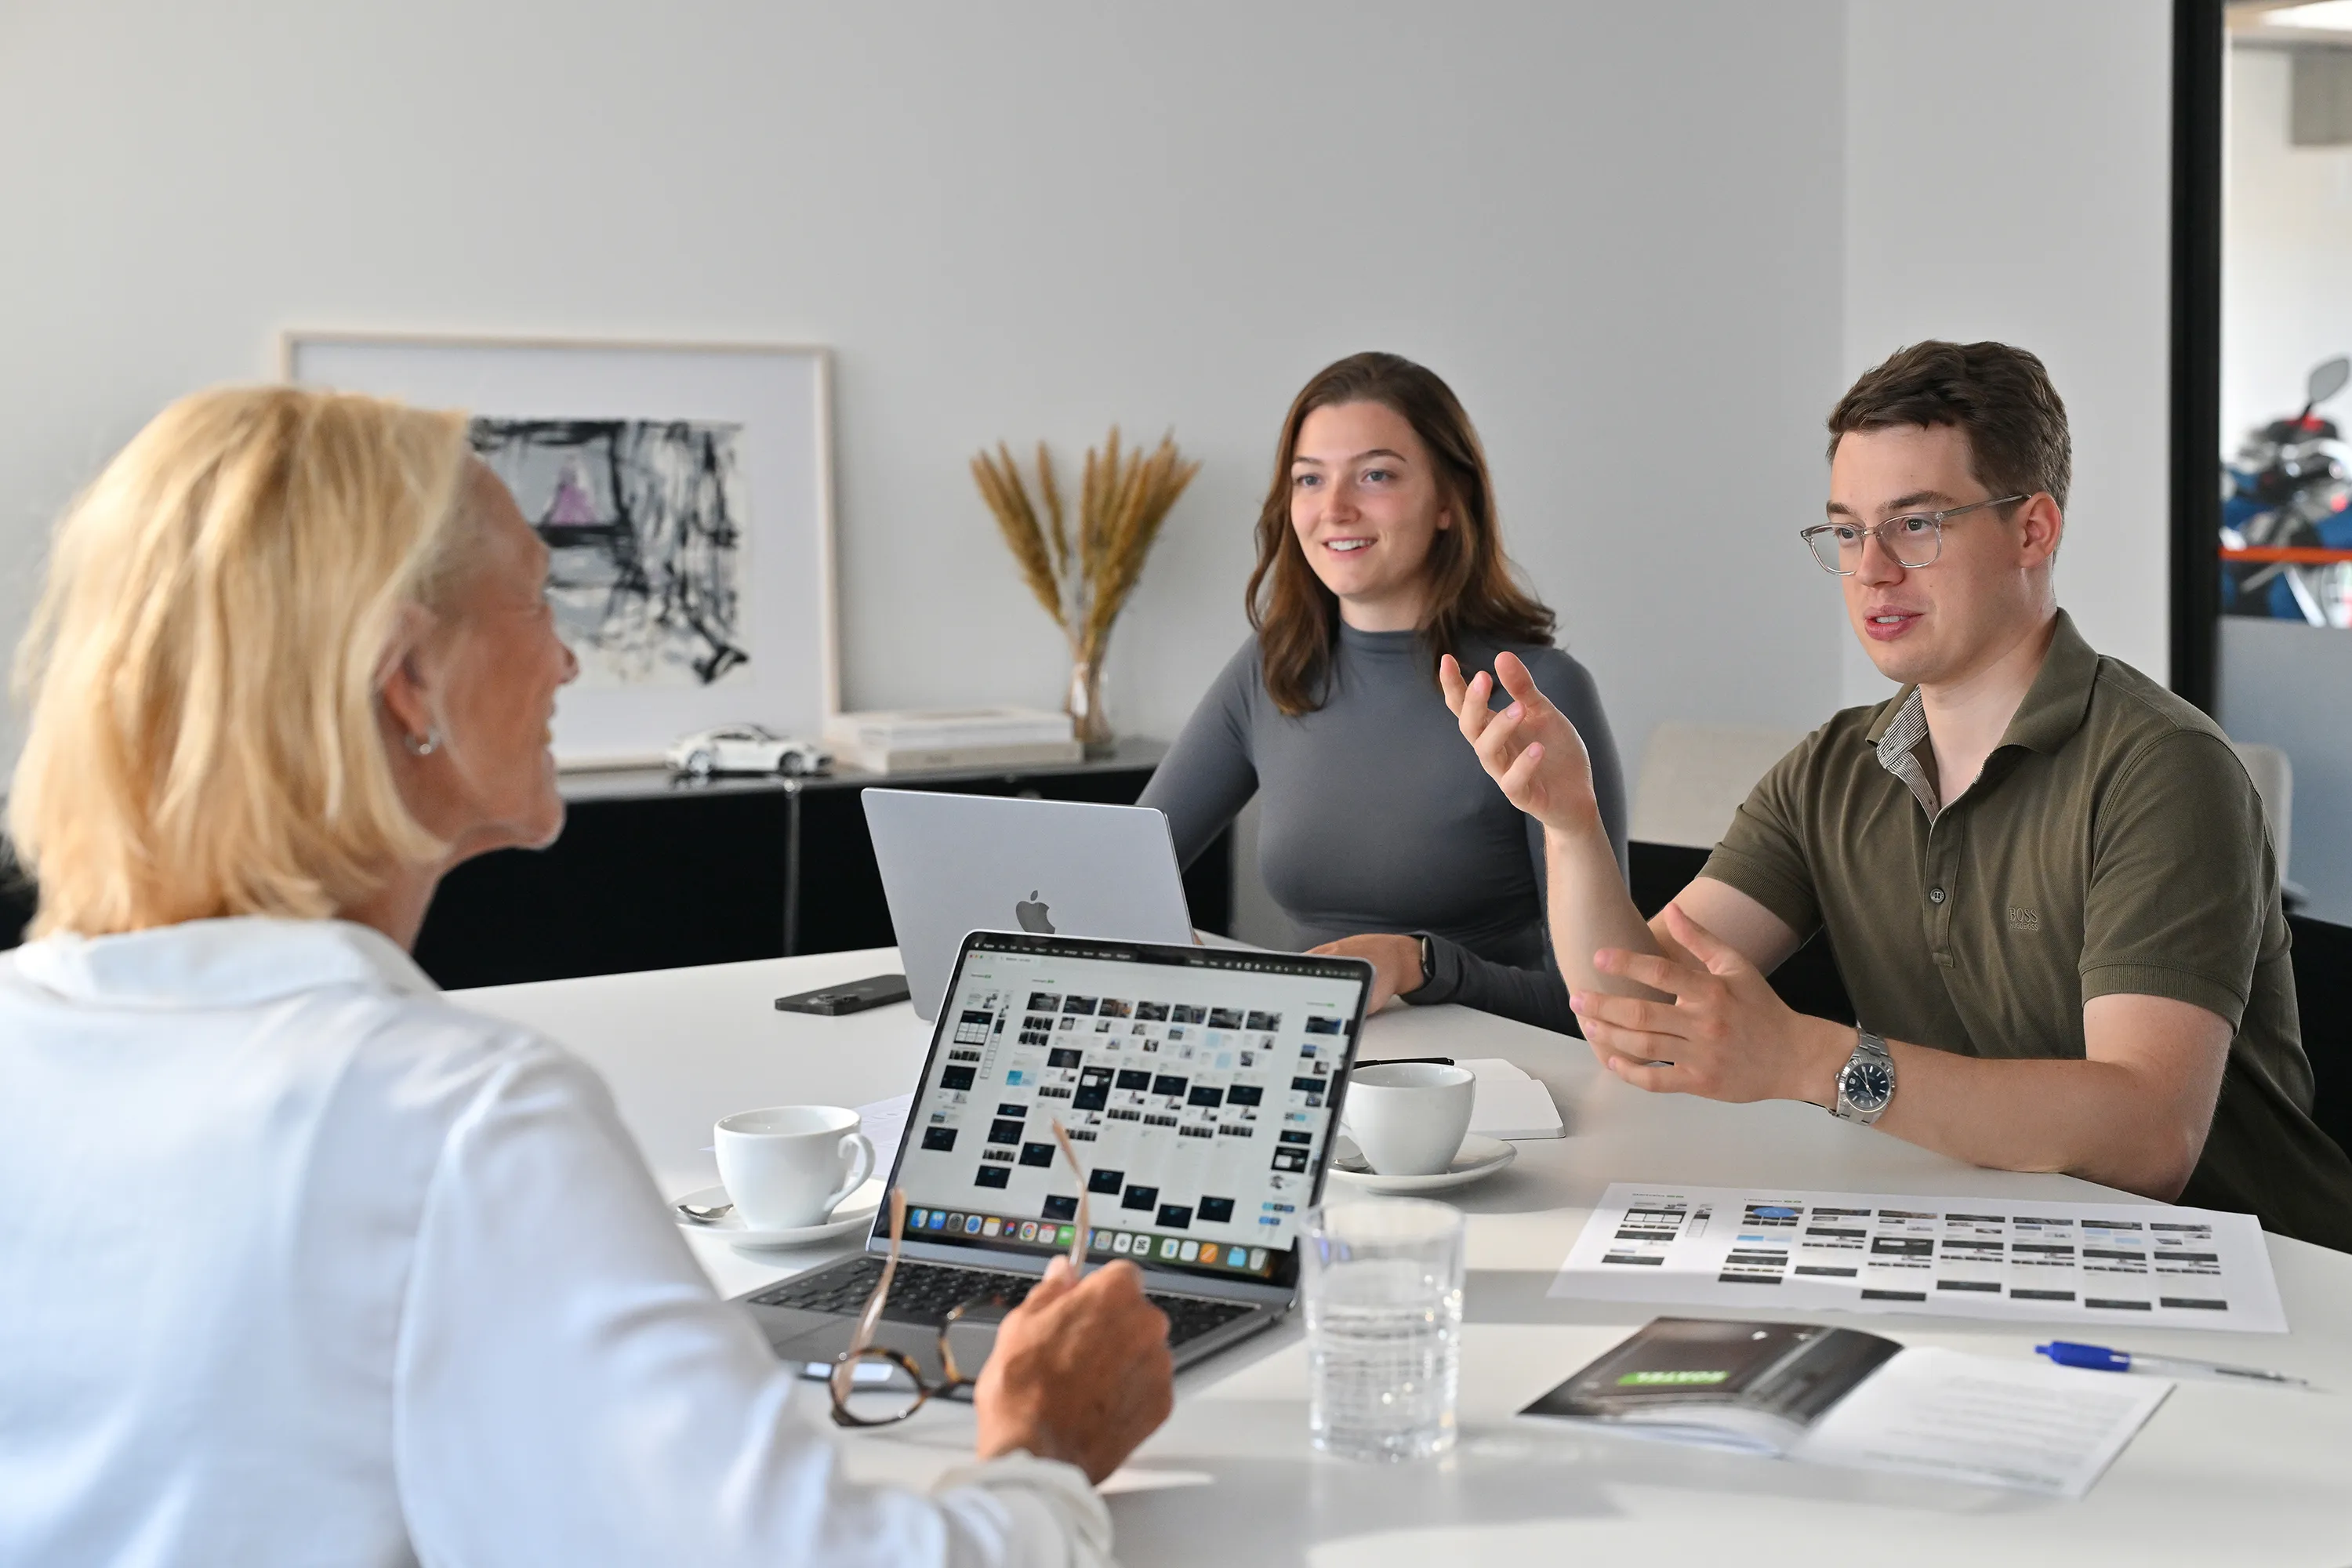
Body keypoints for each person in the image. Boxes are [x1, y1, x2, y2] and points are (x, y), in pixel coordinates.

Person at [0, 387, 1174, 1564]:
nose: (566, 659)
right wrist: (1045, 1456)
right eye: (535, 599)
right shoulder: (459, 1118)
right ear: (408, 677)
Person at [1444, 339, 2352, 1251]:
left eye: (1917, 524)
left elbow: (2150, 1139)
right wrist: (1568, 823)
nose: (1872, 568)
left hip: (2243, 1270)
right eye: (1847, 529)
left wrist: (1810, 1058)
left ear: (2033, 530)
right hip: (1973, 1235)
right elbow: (1643, 1019)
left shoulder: (2163, 768)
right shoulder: (1834, 765)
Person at [1140, 351, 1625, 1032]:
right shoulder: (1269, 671)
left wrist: (1420, 965)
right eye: (1309, 479)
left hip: (1497, 1079)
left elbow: (1598, 1007)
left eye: (1375, 475)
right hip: (1314, 1059)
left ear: (1450, 502)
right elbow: (1122, 877)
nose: (1334, 508)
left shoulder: (1539, 692)